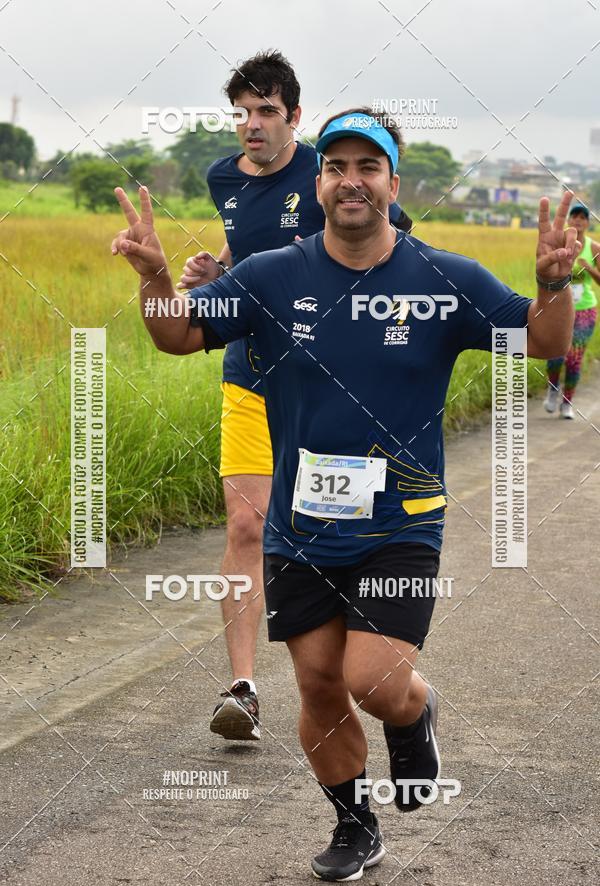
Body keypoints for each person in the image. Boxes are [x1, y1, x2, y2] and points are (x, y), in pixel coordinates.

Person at [111, 110, 577, 882]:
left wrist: (553, 286)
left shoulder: (443, 280)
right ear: (319, 181)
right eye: (337, 166)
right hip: (299, 529)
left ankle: (414, 710)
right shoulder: (271, 276)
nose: (351, 179)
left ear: (395, 185)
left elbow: (545, 340)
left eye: (370, 166)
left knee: (375, 680)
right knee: (321, 682)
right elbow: (180, 335)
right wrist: (156, 278)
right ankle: (357, 825)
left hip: (401, 524)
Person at [175, 51, 411, 741]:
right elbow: (253, 264)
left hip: (330, 386)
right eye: (242, 112)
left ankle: (364, 667)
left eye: (266, 111)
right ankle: (244, 689)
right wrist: (214, 273)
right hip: (251, 373)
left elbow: (389, 251)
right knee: (246, 524)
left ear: (294, 117)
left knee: (330, 530)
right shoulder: (223, 177)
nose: (252, 125)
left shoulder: (332, 172)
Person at [543, 201, 599, 419]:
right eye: (574, 216)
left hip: (584, 308)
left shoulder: (594, 248)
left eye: (583, 217)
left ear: (588, 222)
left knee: (575, 358)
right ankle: (553, 388)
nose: (578, 220)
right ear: (569, 220)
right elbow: (545, 270)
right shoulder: (559, 243)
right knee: (555, 354)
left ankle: (567, 402)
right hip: (559, 307)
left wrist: (590, 268)